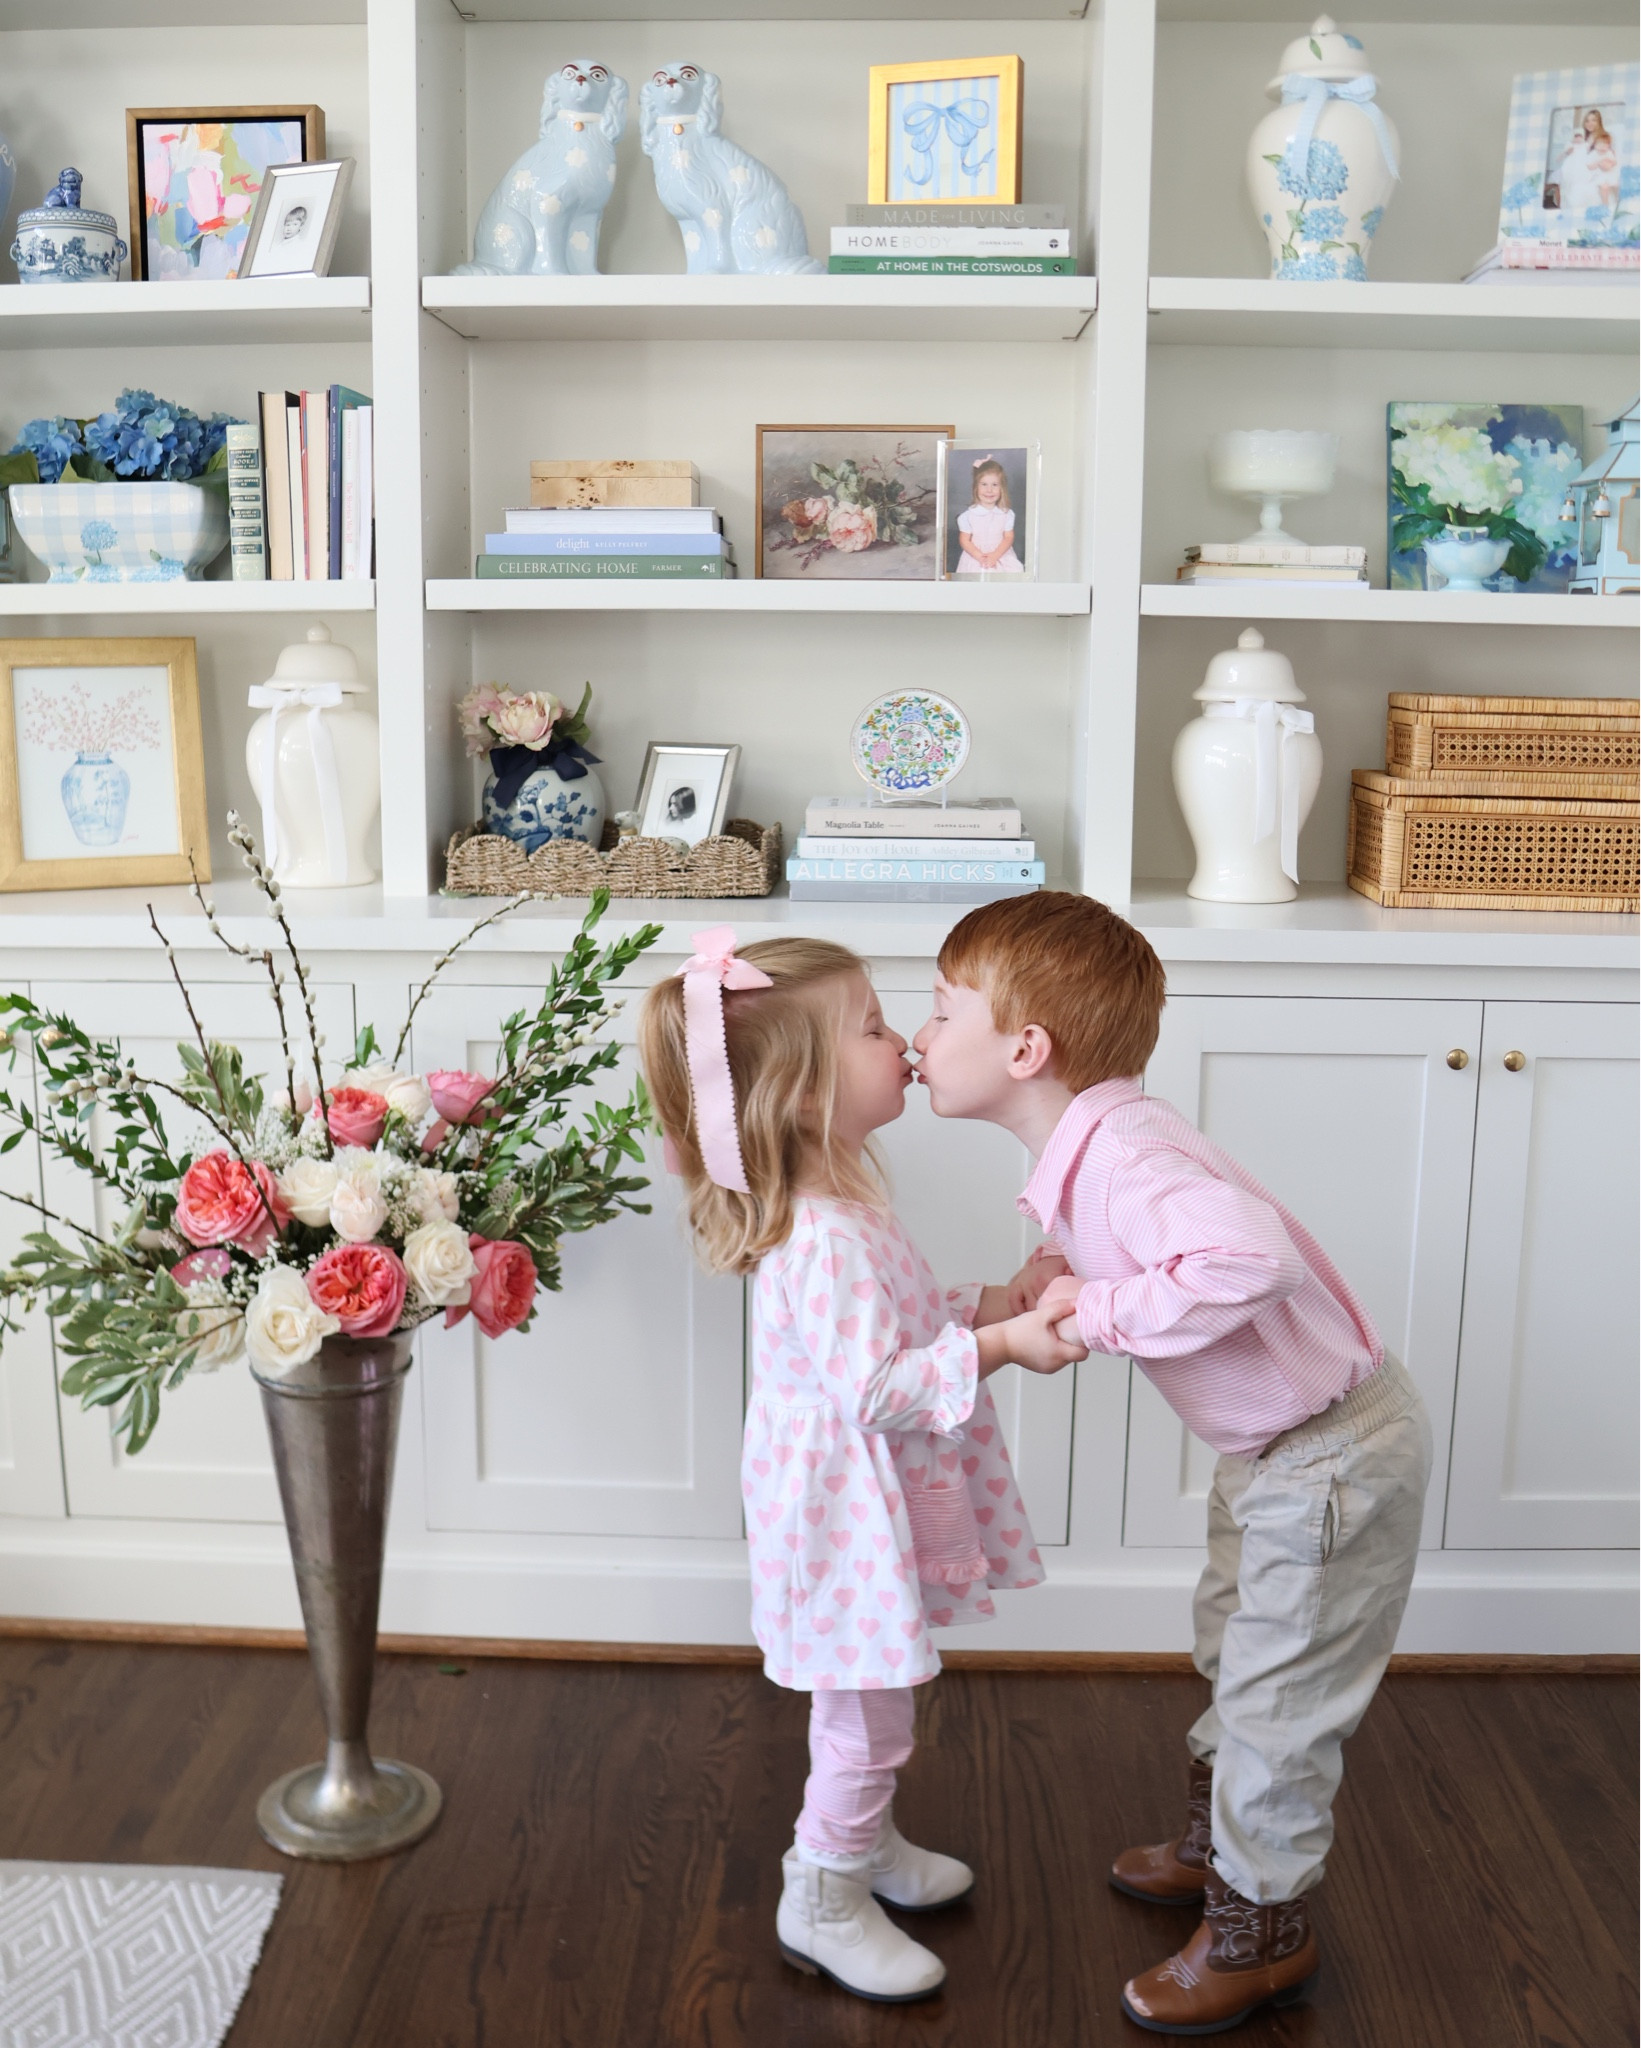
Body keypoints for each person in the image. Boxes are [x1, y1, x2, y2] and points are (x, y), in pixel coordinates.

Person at [911, 891, 1432, 2036]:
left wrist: (1092, 1311)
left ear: (1024, 1048)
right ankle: (1219, 1847)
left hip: (1331, 1453)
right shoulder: (1091, 1146)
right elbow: (1121, 1237)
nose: (917, 1037)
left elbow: (1251, 1257)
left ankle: (1263, 1933)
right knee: (1233, 1639)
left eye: (939, 1011)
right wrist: (1055, 1265)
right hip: (1282, 1449)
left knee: (1277, 1694)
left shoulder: (1128, 1153)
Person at [637, 929, 1084, 2004]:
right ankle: (823, 1888)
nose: (903, 1043)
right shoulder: (825, 1233)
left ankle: (867, 1846)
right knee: (870, 1711)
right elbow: (878, 1383)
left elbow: (899, 1322)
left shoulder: (841, 1209)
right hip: (835, 1516)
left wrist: (994, 1300)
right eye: (876, 1027)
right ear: (800, 1091)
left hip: (851, 1499)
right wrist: (1004, 1347)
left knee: (875, 1696)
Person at [953, 456, 1022, 574]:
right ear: (976, 487)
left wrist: (995, 556)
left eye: (995, 485)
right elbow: (965, 540)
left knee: (1015, 571)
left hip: (1001, 553)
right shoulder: (967, 516)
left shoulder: (1007, 514)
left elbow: (1008, 537)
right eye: (984, 484)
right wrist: (980, 557)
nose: (989, 490)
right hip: (976, 555)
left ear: (1002, 488)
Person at [1555, 107, 1619, 221]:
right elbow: (1583, 152)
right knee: (1569, 171)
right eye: (1587, 120)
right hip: (1587, 163)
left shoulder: (1603, 136)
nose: (1590, 123)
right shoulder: (1585, 137)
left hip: (1597, 166)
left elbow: (1610, 152)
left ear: (1599, 121)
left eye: (1593, 120)